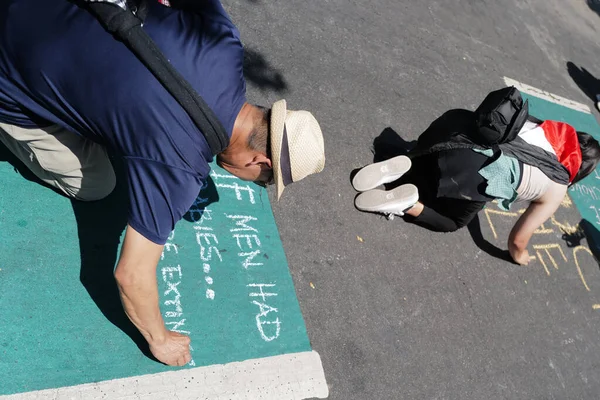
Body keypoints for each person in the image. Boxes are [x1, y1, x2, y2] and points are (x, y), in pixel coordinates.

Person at [0, 0, 325, 366]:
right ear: (259, 161)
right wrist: (159, 338)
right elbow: (131, 276)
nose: (258, 182)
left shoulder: (225, 44)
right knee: (97, 183)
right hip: (9, 74)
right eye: (264, 180)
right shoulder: (180, 170)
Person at [352, 110, 600, 266]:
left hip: (451, 133)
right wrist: (519, 255)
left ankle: (406, 163)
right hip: (470, 172)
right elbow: (518, 240)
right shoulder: (557, 188)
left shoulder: (544, 128)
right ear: (581, 170)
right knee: (453, 221)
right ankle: (407, 204)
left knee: (433, 170)